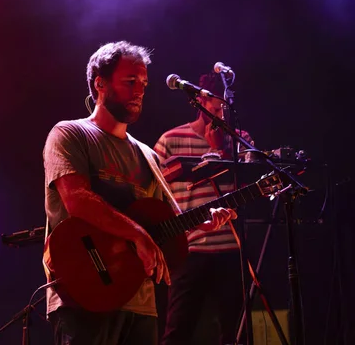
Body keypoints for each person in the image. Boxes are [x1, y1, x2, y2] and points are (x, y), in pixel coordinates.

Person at [42, 41, 237, 345]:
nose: (139, 90)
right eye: (130, 81)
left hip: (141, 301)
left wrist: (200, 221)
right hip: (84, 294)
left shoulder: (148, 155)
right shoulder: (70, 133)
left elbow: (164, 224)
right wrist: (137, 235)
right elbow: (77, 198)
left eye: (143, 83)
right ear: (100, 84)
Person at [154, 73, 254, 345]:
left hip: (231, 249)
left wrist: (219, 151)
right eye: (213, 103)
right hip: (190, 250)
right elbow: (154, 195)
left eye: (224, 105)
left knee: (236, 333)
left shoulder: (240, 140)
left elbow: (247, 190)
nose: (219, 109)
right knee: (178, 331)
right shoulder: (171, 140)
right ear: (199, 100)